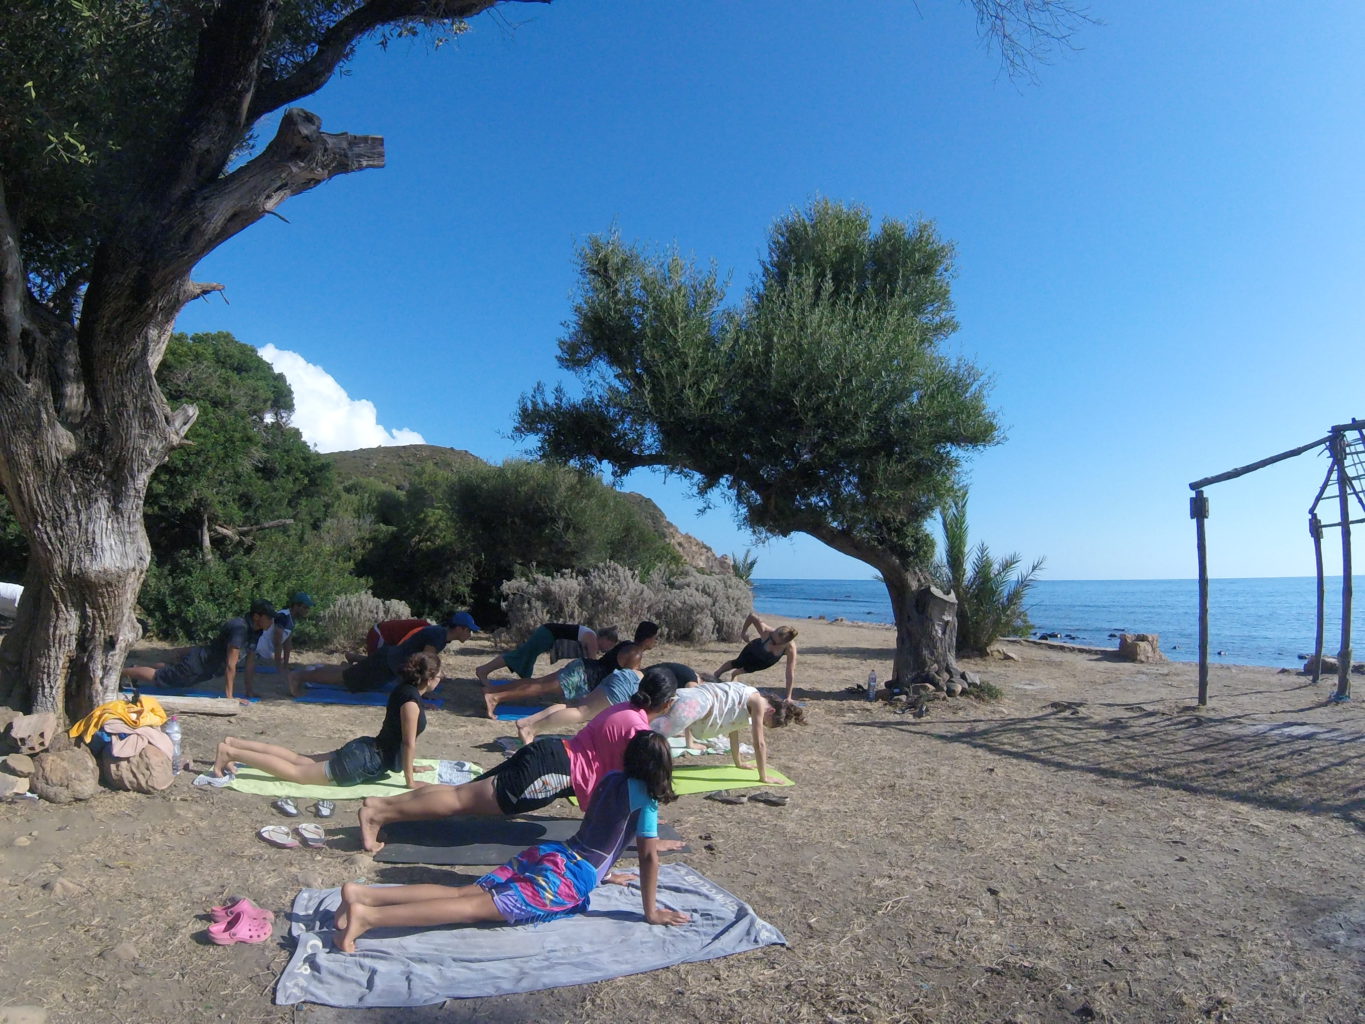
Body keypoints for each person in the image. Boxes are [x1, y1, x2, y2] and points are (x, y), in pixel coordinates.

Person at [336, 730, 688, 951]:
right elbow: (648, 858)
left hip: (553, 855)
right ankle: (367, 918)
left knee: (465, 893)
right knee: (471, 909)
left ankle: (363, 895)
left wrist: (607, 873)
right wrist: (651, 911)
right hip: (566, 877)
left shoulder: (610, 777)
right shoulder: (647, 798)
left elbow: (600, 830)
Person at [358, 666, 678, 853]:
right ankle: (377, 815)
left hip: (549, 752)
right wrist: (646, 836)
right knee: (461, 802)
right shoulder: (640, 732)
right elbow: (626, 793)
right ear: (668, 703)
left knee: (461, 793)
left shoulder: (622, 709)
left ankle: (380, 805)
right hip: (549, 775)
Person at [202, 652, 441, 788]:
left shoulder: (405, 690)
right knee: (297, 773)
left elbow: (397, 738)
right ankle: (229, 753)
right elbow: (408, 743)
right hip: (362, 760)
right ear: (429, 678)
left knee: (299, 760)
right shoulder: (410, 702)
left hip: (365, 749)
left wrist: (411, 765)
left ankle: (235, 743)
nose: (442, 678)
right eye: (439, 674)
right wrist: (410, 781)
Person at [482, 621, 658, 719]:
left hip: (583, 668)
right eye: (655, 639)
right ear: (648, 639)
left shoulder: (628, 644)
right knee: (540, 688)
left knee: (538, 683)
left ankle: (493, 690)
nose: (655, 642)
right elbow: (627, 682)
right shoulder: (635, 654)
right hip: (584, 677)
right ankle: (495, 698)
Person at [649, 677, 806, 785]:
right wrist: (763, 776)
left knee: (647, 727)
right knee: (650, 737)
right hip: (695, 704)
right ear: (771, 710)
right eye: (765, 722)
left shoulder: (747, 697)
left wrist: (739, 762)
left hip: (688, 697)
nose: (761, 723)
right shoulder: (758, 703)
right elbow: (760, 743)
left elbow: (733, 731)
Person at [291, 611, 478, 696]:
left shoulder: (440, 634)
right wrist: (427, 692)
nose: (470, 634)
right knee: (344, 679)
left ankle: (306, 674)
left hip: (388, 660)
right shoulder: (438, 636)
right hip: (387, 663)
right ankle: (300, 676)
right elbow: (426, 665)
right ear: (460, 628)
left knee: (347, 675)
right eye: (469, 630)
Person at [121, 599, 276, 700]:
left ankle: (136, 670)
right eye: (268, 617)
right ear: (257, 616)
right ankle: (122, 672)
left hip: (205, 667)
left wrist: (249, 691)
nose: (271, 621)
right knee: (160, 677)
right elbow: (231, 664)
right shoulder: (240, 629)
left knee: (170, 672)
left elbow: (249, 664)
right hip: (197, 665)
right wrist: (229, 698)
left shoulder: (256, 631)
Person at [507, 644, 647, 744]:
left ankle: (527, 721)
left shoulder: (622, 671)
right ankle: (530, 729)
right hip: (621, 686)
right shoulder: (635, 675)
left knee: (574, 706)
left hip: (614, 678)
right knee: (582, 713)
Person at [474, 622, 612, 684]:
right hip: (547, 634)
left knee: (527, 658)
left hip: (547, 632)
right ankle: (483, 670)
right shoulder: (592, 638)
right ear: (605, 638)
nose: (607, 648)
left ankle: (524, 685)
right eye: (609, 644)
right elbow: (592, 663)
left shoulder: (591, 635)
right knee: (520, 655)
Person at [243, 591, 314, 698]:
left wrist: (285, 665)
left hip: (264, 652)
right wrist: (279, 667)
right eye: (305, 607)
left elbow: (287, 643)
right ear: (296, 606)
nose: (307, 610)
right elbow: (277, 641)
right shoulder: (283, 616)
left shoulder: (292, 620)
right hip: (258, 649)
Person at [714, 614, 799, 699]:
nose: (771, 637)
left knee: (749, 669)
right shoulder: (767, 632)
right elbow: (752, 616)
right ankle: (717, 673)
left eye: (774, 641)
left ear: (784, 643)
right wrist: (743, 633)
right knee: (738, 662)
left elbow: (789, 672)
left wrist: (788, 697)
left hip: (768, 660)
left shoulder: (790, 648)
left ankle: (735, 674)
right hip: (755, 648)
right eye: (772, 636)